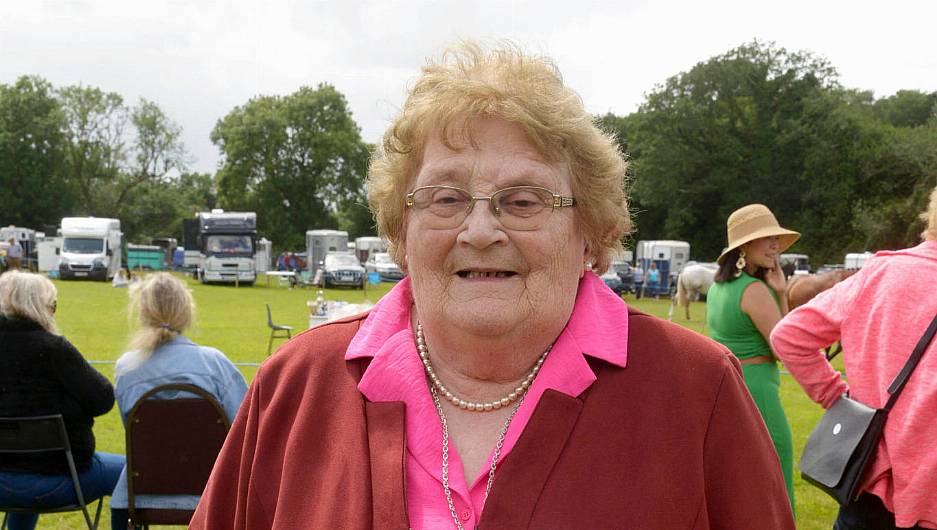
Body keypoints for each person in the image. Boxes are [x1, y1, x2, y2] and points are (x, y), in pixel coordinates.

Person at [191, 42, 794, 529]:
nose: (480, 231)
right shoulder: (297, 384)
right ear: (401, 231)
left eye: (523, 200)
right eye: (446, 198)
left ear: (591, 233)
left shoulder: (696, 389)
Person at [771, 186, 937, 530]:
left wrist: (839, 399)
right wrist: (835, 394)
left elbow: (789, 335)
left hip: (867, 485)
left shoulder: (882, 272)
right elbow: (789, 336)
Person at [109, 272, 247, 529]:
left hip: (142, 492)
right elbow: (244, 428)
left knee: (121, 489)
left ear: (142, 312)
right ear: (186, 311)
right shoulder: (214, 363)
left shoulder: (126, 368)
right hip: (211, 490)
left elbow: (133, 427)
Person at [0, 271, 123, 530]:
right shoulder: (55, 349)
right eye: (52, 306)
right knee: (131, 472)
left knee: (23, 455)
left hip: (3, 480)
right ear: (41, 308)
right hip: (60, 479)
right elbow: (102, 399)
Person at [705, 203, 800, 511]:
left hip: (729, 389)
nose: (775, 245)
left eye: (776, 238)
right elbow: (784, 346)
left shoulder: (718, 288)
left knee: (740, 483)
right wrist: (782, 293)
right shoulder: (755, 290)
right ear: (745, 245)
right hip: (759, 392)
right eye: (767, 238)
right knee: (776, 481)